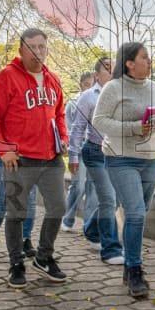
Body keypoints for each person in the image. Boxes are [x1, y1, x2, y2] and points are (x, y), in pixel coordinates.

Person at [0, 28, 69, 288]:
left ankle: (43, 257)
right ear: (20, 50)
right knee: (16, 213)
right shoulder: (6, 78)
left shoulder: (53, 79)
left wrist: (63, 138)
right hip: (20, 159)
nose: (37, 52)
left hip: (51, 157)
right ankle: (16, 264)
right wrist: (2, 149)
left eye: (41, 47)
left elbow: (60, 114)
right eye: (31, 47)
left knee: (58, 208)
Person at [93, 43, 155, 297]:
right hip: (121, 158)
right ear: (129, 63)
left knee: (140, 212)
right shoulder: (113, 88)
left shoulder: (154, 87)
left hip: (152, 158)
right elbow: (99, 121)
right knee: (135, 213)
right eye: (144, 57)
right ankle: (135, 270)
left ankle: (128, 265)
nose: (149, 61)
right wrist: (135, 127)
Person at [67, 57, 124, 264]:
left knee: (116, 199)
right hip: (94, 152)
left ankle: (91, 228)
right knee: (108, 198)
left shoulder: (121, 94)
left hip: (116, 152)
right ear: (97, 75)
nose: (112, 72)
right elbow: (78, 128)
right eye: (107, 69)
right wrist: (73, 155)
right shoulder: (88, 97)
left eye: (114, 68)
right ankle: (111, 249)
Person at [61, 72, 96, 232]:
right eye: (87, 84)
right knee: (78, 186)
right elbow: (68, 129)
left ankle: (88, 225)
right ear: (81, 84)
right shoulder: (72, 103)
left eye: (92, 84)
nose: (90, 87)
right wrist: (72, 150)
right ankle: (68, 219)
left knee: (92, 188)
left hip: (95, 149)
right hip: (79, 150)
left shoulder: (98, 99)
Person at [0, 154, 38, 256]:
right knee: (7, 195)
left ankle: (25, 239)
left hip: (30, 152)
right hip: (6, 151)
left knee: (30, 196)